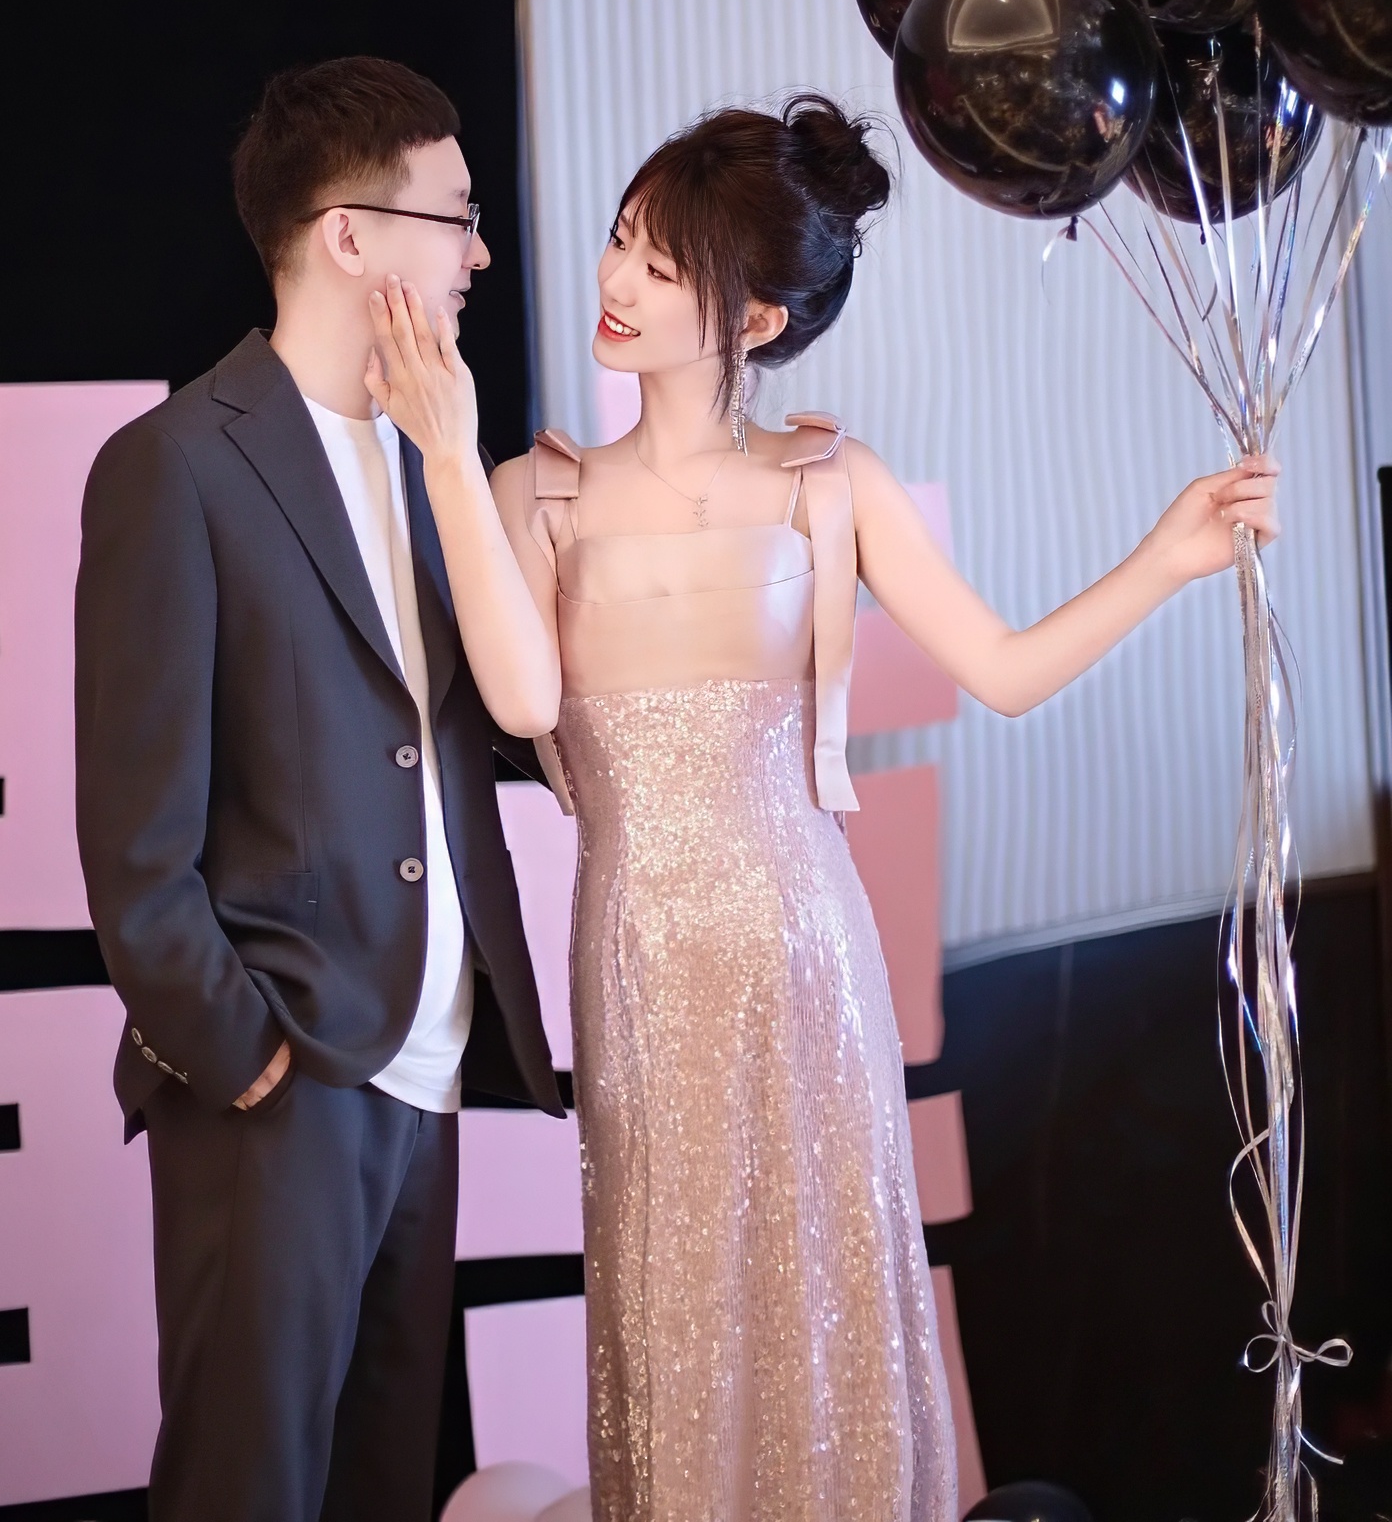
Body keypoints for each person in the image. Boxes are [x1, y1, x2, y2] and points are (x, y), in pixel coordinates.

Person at [365, 93, 1280, 1522]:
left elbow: (1005, 670)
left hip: (807, 951)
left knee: (827, 1300)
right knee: (674, 1313)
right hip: (641, 962)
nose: (616, 280)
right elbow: (526, 701)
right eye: (623, 238)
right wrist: (442, 458)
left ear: (757, 319)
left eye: (662, 264)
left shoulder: (829, 482)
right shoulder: (531, 489)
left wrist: (1167, 557)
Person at [74, 56, 563, 1522]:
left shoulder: (437, 460)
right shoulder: (175, 466)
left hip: (430, 1067)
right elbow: (135, 841)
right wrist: (242, 1054)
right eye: (455, 216)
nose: (479, 253)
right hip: (279, 1076)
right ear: (348, 234)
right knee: (248, 1486)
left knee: (378, 1485)